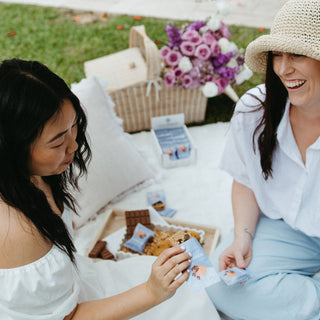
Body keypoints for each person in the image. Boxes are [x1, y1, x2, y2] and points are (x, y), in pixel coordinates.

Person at [0, 58, 192, 320]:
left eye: (73, 126)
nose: (74, 146)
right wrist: (152, 292)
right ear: (13, 149)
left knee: (191, 293)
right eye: (57, 142)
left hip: (75, 282)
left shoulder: (32, 174)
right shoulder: (19, 232)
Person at [206, 0, 320, 319]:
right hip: (290, 230)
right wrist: (243, 237)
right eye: (277, 56)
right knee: (220, 284)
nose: (283, 69)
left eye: (297, 54)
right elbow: (245, 179)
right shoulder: (254, 110)